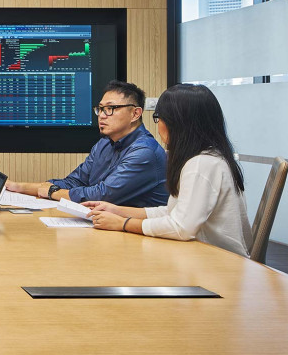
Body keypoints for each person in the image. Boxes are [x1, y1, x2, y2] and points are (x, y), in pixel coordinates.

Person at [84, 84, 253, 257]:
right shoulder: (205, 157)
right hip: (206, 256)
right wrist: (117, 210)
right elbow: (172, 212)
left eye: (159, 118)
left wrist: (123, 223)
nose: (158, 127)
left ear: (178, 123)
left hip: (218, 264)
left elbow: (181, 228)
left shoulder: (201, 164)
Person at [5, 80, 168, 207]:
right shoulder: (105, 143)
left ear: (135, 113)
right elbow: (74, 182)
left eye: (111, 109)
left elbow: (102, 195)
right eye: (101, 109)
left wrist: (53, 192)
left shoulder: (145, 151)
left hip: (142, 238)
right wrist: (17, 187)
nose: (102, 116)